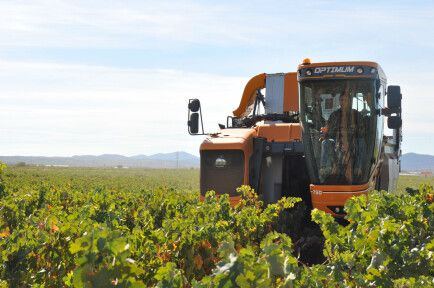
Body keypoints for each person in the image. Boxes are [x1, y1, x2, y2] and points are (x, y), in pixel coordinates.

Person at [319, 87, 364, 183]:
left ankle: (358, 167)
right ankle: (325, 168)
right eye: (341, 100)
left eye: (345, 100)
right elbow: (328, 130)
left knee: (361, 142)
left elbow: (362, 132)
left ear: (350, 101)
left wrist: (351, 132)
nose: (343, 102)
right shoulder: (334, 115)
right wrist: (325, 132)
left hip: (353, 141)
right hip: (336, 141)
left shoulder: (357, 115)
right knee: (325, 143)